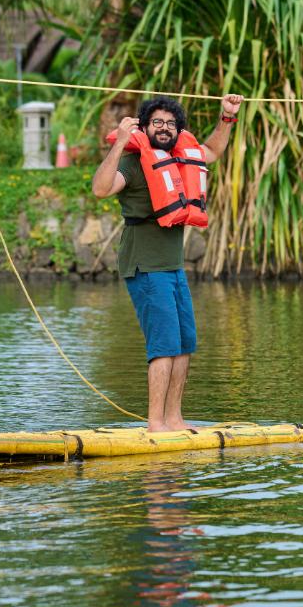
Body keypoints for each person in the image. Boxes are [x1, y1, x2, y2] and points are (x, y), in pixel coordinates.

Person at [91, 93, 244, 431]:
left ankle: (174, 419)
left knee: (184, 343)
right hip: (145, 265)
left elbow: (214, 151)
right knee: (163, 345)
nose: (164, 128)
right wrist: (120, 143)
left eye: (170, 123)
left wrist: (227, 116)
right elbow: (101, 189)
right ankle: (155, 423)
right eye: (157, 122)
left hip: (173, 267)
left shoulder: (179, 157)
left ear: (178, 129)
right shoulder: (133, 162)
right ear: (145, 127)